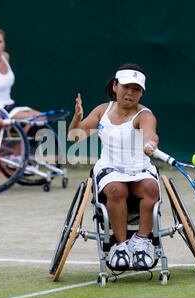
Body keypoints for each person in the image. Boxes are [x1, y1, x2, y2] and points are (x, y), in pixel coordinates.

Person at [68, 63, 160, 270]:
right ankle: (120, 246)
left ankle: (142, 243)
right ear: (115, 86)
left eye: (136, 89)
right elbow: (74, 137)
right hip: (110, 169)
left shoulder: (144, 114)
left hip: (139, 170)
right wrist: (77, 119)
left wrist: (150, 143)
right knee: (117, 189)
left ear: (141, 93)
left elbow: (150, 133)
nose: (130, 93)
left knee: (152, 188)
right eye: (126, 87)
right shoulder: (102, 110)